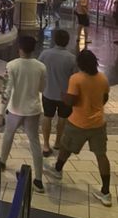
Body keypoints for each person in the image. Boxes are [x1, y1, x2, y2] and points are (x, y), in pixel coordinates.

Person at [45, 50, 112, 207]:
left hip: (78, 123)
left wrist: (63, 96)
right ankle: (106, 192)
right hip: (98, 124)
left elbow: (71, 102)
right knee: (101, 155)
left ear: (80, 64)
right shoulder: (102, 78)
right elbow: (105, 97)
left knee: (65, 146)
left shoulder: (77, 79)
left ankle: (58, 169)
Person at [0, 36, 46, 193]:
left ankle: (2, 162)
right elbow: (42, 88)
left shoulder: (12, 65)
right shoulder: (41, 67)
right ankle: (38, 179)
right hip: (33, 109)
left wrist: (0, 112)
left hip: (15, 109)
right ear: (33, 49)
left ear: (20, 49)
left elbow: (7, 89)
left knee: (8, 136)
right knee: (34, 142)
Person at [38, 29, 76, 157]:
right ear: (67, 41)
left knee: (47, 117)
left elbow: (39, 70)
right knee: (62, 118)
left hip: (48, 92)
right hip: (65, 95)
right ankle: (58, 142)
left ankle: (46, 144)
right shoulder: (71, 58)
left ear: (55, 40)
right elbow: (75, 77)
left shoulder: (45, 54)